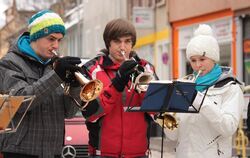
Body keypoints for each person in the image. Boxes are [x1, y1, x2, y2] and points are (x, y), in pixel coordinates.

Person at [0, 10, 82, 158]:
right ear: (35, 37)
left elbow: (69, 113)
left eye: (59, 40)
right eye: (51, 39)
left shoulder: (54, 65)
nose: (56, 45)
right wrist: (56, 75)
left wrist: (75, 86)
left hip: (54, 151)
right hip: (20, 151)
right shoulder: (10, 62)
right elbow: (20, 102)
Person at [163, 24, 244, 158]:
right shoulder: (184, 86)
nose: (197, 65)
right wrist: (164, 117)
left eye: (202, 59)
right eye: (193, 60)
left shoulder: (230, 88)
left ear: (213, 58)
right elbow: (173, 136)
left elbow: (228, 127)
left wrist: (198, 99)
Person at [81, 18, 158, 157]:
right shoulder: (92, 69)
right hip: (103, 153)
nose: (122, 47)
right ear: (108, 43)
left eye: (127, 41)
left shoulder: (146, 68)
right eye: (117, 41)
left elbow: (156, 112)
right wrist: (117, 84)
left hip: (138, 153)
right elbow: (91, 114)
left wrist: (141, 85)